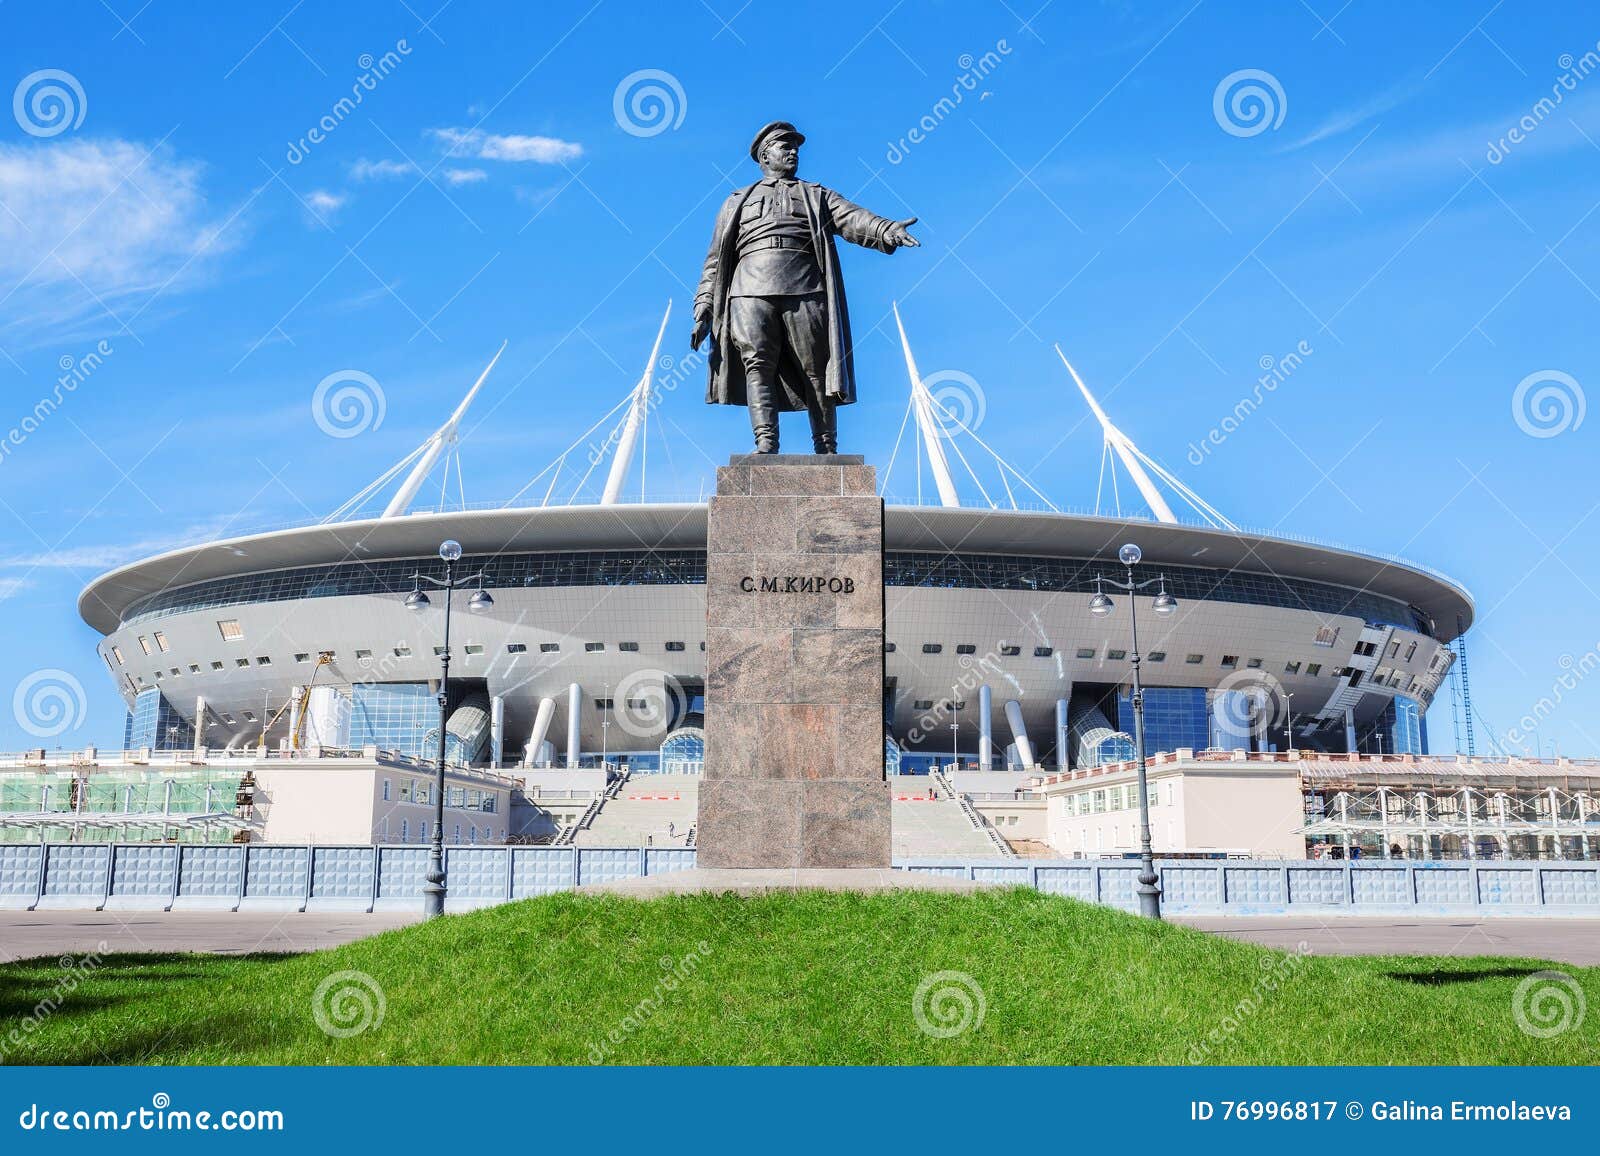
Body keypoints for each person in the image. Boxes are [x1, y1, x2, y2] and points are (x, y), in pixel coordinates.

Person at [693, 121, 919, 453]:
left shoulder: (815, 194)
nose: (793, 151)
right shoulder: (736, 201)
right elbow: (715, 258)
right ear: (765, 155)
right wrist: (703, 305)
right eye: (785, 146)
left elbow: (852, 218)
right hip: (749, 289)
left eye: (795, 146)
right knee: (757, 363)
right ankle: (766, 442)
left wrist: (885, 229)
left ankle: (826, 445)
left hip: (805, 286)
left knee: (817, 366)